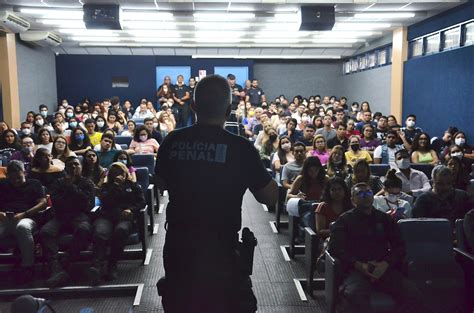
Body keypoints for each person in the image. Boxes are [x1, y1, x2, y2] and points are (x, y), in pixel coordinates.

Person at [155, 75, 277, 313]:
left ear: (193, 106)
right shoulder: (241, 148)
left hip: (179, 246)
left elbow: (160, 182)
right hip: (220, 250)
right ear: (229, 109)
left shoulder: (172, 140)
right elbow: (269, 197)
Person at [328, 182, 429, 313]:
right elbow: (335, 248)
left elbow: (399, 246)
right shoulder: (344, 220)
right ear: (353, 200)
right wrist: (359, 265)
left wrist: (385, 264)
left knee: (413, 294)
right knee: (354, 295)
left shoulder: (384, 219)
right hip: (356, 269)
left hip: (383, 268)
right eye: (360, 193)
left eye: (369, 192)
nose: (366, 196)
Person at [40, 156, 95, 288]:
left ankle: (65, 264)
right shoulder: (58, 183)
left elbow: (87, 205)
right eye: (70, 165)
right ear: (65, 169)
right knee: (46, 232)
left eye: (76, 165)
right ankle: (56, 268)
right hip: (60, 216)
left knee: (84, 230)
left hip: (79, 216)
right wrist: (73, 199)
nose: (73, 167)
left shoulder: (87, 183)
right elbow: (57, 203)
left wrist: (71, 188)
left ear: (81, 168)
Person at [87, 162, 146, 284]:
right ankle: (97, 266)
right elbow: (105, 201)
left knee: (121, 231)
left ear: (125, 173)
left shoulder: (133, 186)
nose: (118, 175)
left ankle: (112, 265)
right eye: (114, 173)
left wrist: (131, 210)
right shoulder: (106, 186)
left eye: (120, 172)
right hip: (107, 216)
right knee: (100, 232)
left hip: (125, 218)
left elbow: (141, 202)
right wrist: (115, 186)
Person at [0, 160, 47, 282]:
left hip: (27, 218)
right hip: (5, 219)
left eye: (19, 178)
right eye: (13, 178)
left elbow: (43, 203)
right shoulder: (3, 185)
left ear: (24, 173)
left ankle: (27, 267)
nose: (16, 181)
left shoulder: (34, 184)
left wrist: (24, 214)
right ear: (8, 176)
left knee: (22, 227)